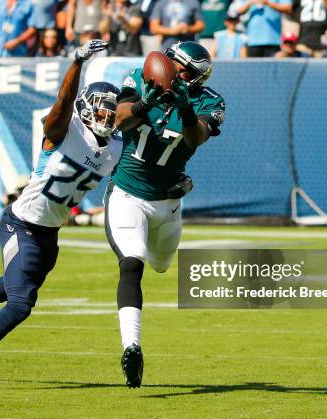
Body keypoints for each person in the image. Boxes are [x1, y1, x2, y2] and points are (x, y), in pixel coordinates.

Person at [0, 40, 121, 391]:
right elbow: (62, 105)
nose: (107, 117)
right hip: (20, 224)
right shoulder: (62, 130)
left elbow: (133, 113)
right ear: (84, 110)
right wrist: (76, 63)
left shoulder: (113, 146)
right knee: (21, 305)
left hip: (49, 233)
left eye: (111, 113)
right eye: (101, 110)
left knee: (19, 287)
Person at [107, 41, 225, 388]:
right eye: (174, 66)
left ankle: (132, 344)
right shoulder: (140, 79)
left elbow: (195, 139)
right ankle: (132, 347)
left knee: (161, 263)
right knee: (133, 261)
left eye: (183, 71)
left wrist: (186, 109)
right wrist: (145, 103)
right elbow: (118, 120)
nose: (175, 73)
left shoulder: (209, 101)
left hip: (168, 203)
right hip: (127, 194)